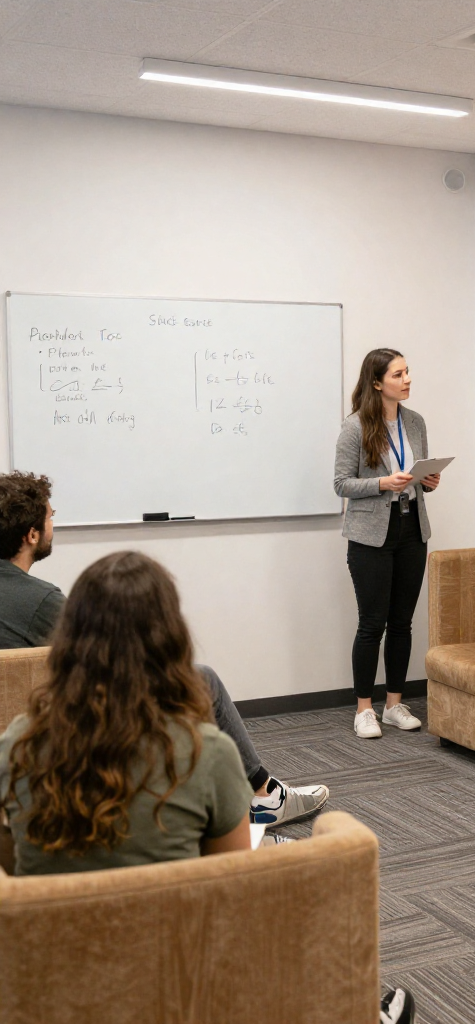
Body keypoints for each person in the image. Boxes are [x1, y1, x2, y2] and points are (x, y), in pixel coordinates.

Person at [0, 549, 417, 1024]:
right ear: (169, 637)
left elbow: (13, 869)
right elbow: (230, 888)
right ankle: (356, 1010)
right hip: (182, 979)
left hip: (57, 988)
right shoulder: (208, 753)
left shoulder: (15, 746)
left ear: (70, 639)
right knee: (281, 889)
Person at [0, 471, 328, 830]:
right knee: (202, 679)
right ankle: (264, 796)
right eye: (49, 516)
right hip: (71, 727)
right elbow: (114, 662)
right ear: (31, 535)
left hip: (19, 736)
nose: (53, 522)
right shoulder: (43, 602)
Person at [334, 349, 441, 739]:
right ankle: (364, 708)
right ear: (378, 382)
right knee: (371, 624)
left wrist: (426, 480)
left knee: (402, 623)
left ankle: (394, 704)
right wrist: (382, 483)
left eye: (408, 371)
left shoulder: (415, 422)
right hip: (370, 536)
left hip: (412, 529)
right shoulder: (356, 426)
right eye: (399, 374)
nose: (408, 379)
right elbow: (341, 484)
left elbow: (416, 472)